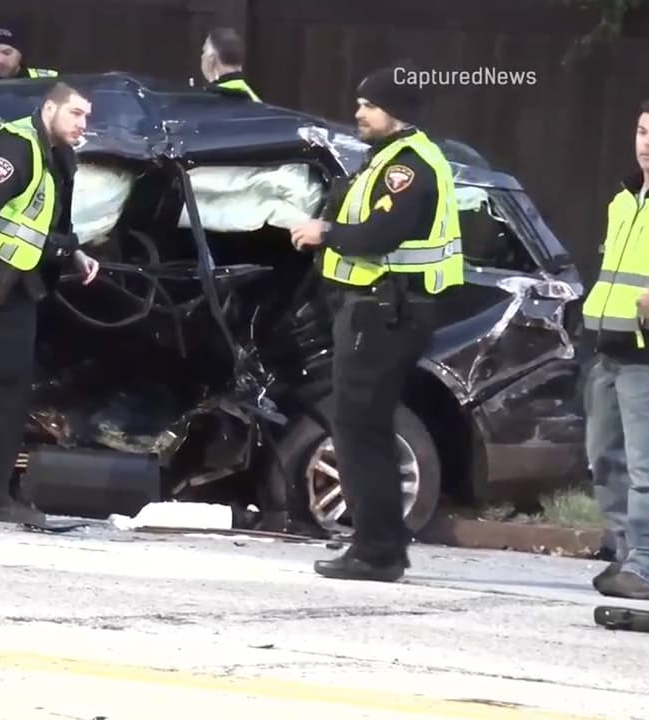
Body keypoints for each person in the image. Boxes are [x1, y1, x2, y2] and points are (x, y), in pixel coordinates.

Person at [289, 66, 463, 582]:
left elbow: (380, 234)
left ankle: (377, 550)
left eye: (369, 104)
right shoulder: (387, 160)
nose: (358, 112)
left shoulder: (407, 167)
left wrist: (326, 231)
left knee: (360, 428)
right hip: (375, 311)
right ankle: (379, 545)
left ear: (397, 111)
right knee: (361, 426)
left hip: (385, 313)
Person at [0, 82, 100, 523]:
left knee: (1, 386)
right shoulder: (15, 149)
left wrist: (77, 252)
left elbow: (54, 221)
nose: (82, 124)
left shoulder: (61, 155)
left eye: (86, 116)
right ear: (49, 109)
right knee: (6, 387)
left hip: (19, 282)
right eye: (75, 114)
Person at [582, 96, 649, 601]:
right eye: (642, 132)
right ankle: (627, 554)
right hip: (607, 348)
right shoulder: (623, 198)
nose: (648, 142)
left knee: (647, 469)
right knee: (604, 460)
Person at [198, 27, 260, 101]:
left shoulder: (208, 101)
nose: (202, 57)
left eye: (204, 51)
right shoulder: (254, 100)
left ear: (211, 60)